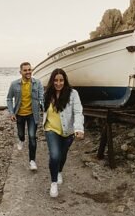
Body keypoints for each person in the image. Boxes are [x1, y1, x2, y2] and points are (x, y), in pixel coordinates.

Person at [41, 68, 84, 198]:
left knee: (62, 155)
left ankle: (59, 171)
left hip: (68, 131)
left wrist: (79, 128)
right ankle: (53, 182)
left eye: (61, 80)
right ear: (52, 81)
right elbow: (43, 109)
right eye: (55, 80)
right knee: (54, 155)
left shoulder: (73, 94)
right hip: (51, 129)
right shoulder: (47, 93)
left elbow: (78, 112)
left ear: (65, 81)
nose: (58, 83)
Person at [6, 62, 44, 171]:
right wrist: (12, 112)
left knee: (32, 137)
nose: (28, 72)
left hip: (33, 114)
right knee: (21, 134)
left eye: (29, 70)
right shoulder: (14, 84)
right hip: (19, 114)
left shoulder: (37, 83)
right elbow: (9, 98)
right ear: (20, 72)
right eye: (25, 70)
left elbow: (42, 98)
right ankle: (21, 140)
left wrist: (44, 109)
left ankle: (32, 161)